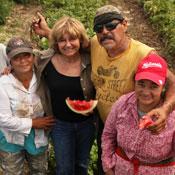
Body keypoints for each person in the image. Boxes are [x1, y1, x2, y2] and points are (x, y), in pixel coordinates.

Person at [31, 5, 175, 175]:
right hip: (103, 125)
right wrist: (48, 32)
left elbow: (172, 82)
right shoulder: (96, 44)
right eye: (99, 28)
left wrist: (165, 110)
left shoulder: (144, 54)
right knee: (104, 166)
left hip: (131, 127)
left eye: (111, 26)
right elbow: (69, 42)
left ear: (125, 24)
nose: (105, 31)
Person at [34, 16, 96, 175]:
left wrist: (95, 105)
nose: (68, 44)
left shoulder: (92, 60)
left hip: (87, 124)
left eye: (73, 39)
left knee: (82, 164)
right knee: (64, 169)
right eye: (62, 40)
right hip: (60, 125)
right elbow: (22, 59)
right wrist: (9, 69)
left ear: (81, 39)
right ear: (56, 43)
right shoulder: (45, 59)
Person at [101, 53, 175, 175]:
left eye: (154, 86)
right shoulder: (122, 104)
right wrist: (108, 166)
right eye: (141, 84)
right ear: (134, 81)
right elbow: (108, 135)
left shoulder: (171, 115)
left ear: (163, 87)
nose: (146, 92)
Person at [0, 37, 55, 175]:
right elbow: (3, 119)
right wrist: (33, 123)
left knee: (39, 170)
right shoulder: (3, 83)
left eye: (27, 55)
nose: (23, 61)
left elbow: (56, 50)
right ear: (10, 60)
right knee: (12, 172)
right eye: (17, 58)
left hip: (38, 137)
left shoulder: (43, 75)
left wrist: (47, 32)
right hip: (10, 139)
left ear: (33, 56)